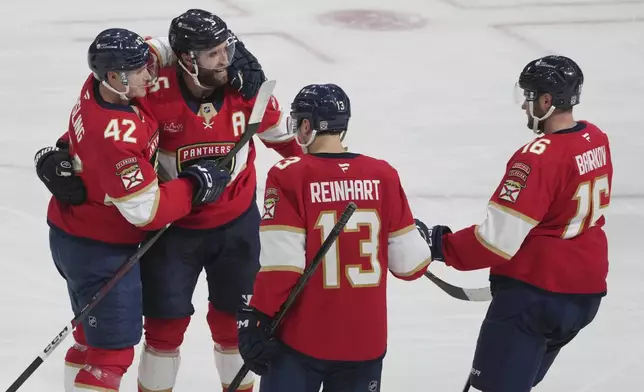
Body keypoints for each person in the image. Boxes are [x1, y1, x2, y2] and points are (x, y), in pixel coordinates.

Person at [35, 9, 303, 392]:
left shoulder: (248, 90)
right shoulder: (149, 85)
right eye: (213, 53)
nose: (226, 60)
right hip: (171, 232)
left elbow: (291, 145)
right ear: (186, 59)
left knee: (234, 328)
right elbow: (110, 114)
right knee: (163, 332)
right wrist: (62, 148)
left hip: (236, 226)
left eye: (227, 48)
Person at [36, 28, 230, 392]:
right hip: (101, 249)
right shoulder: (116, 134)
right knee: (111, 355)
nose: (151, 75)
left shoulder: (99, 85)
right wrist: (194, 184)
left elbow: (160, 48)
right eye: (139, 70)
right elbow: (147, 211)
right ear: (114, 76)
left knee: (88, 339)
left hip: (73, 233)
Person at [416, 55, 611, 392]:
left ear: (547, 101)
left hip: (535, 296)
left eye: (531, 96)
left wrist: (439, 245)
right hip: (584, 295)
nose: (525, 104)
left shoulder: (538, 157)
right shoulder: (595, 139)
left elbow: (496, 240)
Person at [235, 83, 433, 392]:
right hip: (365, 343)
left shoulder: (289, 174)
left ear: (305, 125)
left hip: (303, 339)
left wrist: (258, 317)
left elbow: (283, 267)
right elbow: (411, 264)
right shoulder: (383, 174)